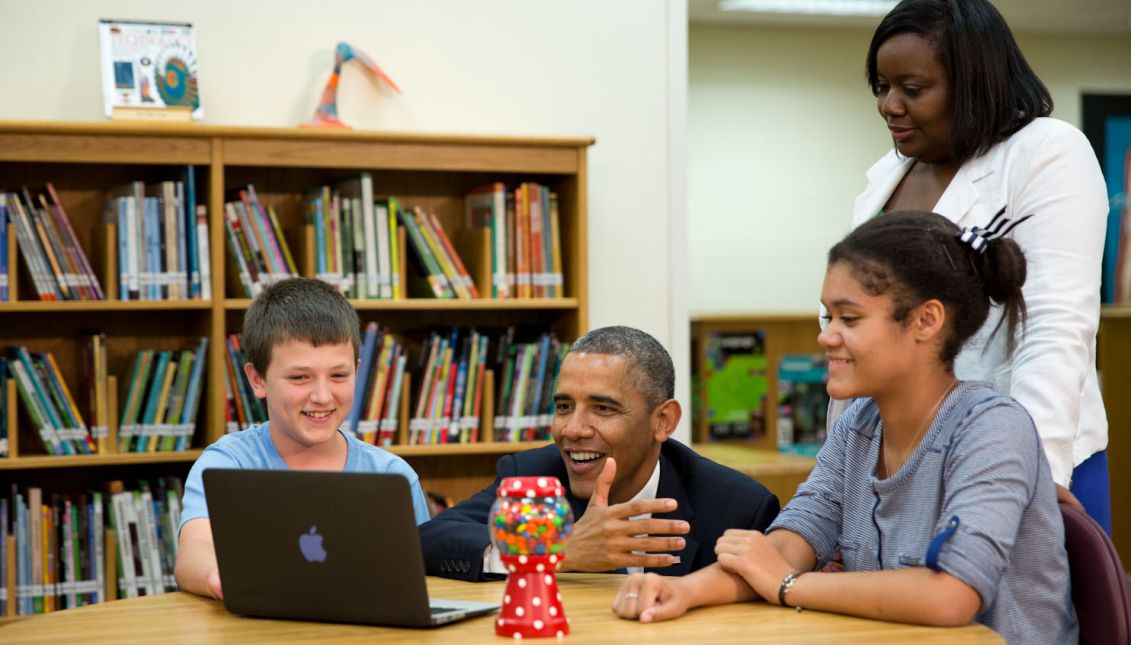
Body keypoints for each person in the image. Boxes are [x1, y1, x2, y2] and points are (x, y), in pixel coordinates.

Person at [613, 211, 1076, 643]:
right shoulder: (860, 421)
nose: (826, 335)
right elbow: (794, 539)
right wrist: (685, 592)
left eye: (849, 319)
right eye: (827, 316)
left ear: (925, 321)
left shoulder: (992, 427)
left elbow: (951, 595)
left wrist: (789, 585)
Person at [850, 0, 1110, 530]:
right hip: (900, 462)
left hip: (1023, 453)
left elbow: (1055, 324)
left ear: (973, 84)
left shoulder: (1045, 152)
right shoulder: (885, 178)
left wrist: (1032, 473)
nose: (889, 105)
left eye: (912, 89)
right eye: (881, 86)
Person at [419, 325, 779, 581]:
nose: (572, 429)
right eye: (563, 406)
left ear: (663, 421)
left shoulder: (738, 506)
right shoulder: (533, 476)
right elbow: (428, 541)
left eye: (603, 409)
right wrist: (555, 553)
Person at [174, 278, 431, 600]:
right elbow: (194, 549)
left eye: (339, 375)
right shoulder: (227, 464)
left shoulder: (393, 475)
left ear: (357, 369)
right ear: (258, 379)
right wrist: (219, 578)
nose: (322, 396)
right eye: (299, 377)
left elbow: (422, 573)